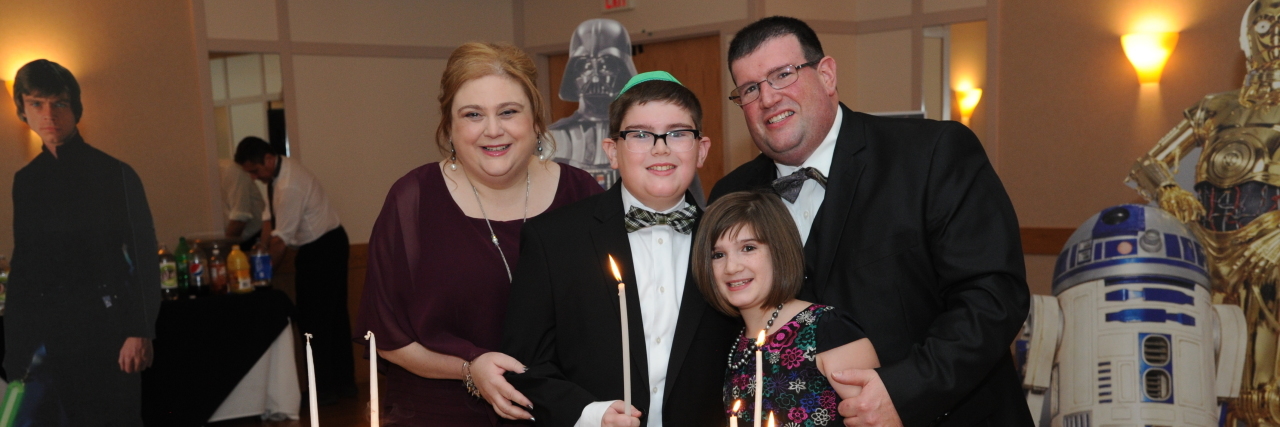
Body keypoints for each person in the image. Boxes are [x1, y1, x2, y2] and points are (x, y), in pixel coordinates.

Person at [710, 17, 1032, 426]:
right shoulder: (732, 195)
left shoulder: (930, 154)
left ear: (826, 74)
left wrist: (906, 389)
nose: (768, 98)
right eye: (750, 89)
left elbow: (993, 296)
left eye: (783, 75)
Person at [353, 42, 602, 426]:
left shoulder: (581, 195)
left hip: (561, 412)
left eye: (508, 112)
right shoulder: (412, 201)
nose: (492, 130)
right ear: (449, 126)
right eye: (472, 114)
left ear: (536, 120)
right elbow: (389, 338)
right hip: (440, 412)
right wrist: (470, 370)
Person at [502, 71, 739, 427]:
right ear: (612, 151)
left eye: (677, 134)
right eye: (640, 135)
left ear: (701, 150)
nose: (661, 148)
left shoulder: (731, 243)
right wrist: (590, 414)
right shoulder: (554, 240)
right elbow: (523, 366)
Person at [5, 59, 160, 425]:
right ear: (23, 111)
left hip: (109, 331)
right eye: (36, 104)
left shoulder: (115, 174)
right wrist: (16, 350)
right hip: (50, 336)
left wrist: (139, 330)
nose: (49, 115)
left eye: (59, 103)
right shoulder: (26, 181)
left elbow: (143, 255)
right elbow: (24, 265)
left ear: (75, 108)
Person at [692, 190, 879, 426]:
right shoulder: (733, 345)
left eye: (748, 248)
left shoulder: (828, 329)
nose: (731, 267)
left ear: (779, 251)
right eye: (718, 255)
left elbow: (877, 420)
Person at [234, 136, 355, 404]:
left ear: (267, 159)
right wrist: (260, 250)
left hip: (324, 249)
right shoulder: (275, 175)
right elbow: (268, 221)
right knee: (329, 319)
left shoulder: (289, 185)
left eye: (255, 171)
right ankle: (339, 386)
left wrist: (262, 277)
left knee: (318, 322)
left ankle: (325, 391)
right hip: (321, 247)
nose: (254, 177)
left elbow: (280, 242)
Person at [219, 156, 266, 250]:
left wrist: (223, 250)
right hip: (231, 238)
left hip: (254, 237)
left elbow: (240, 219)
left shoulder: (230, 170)